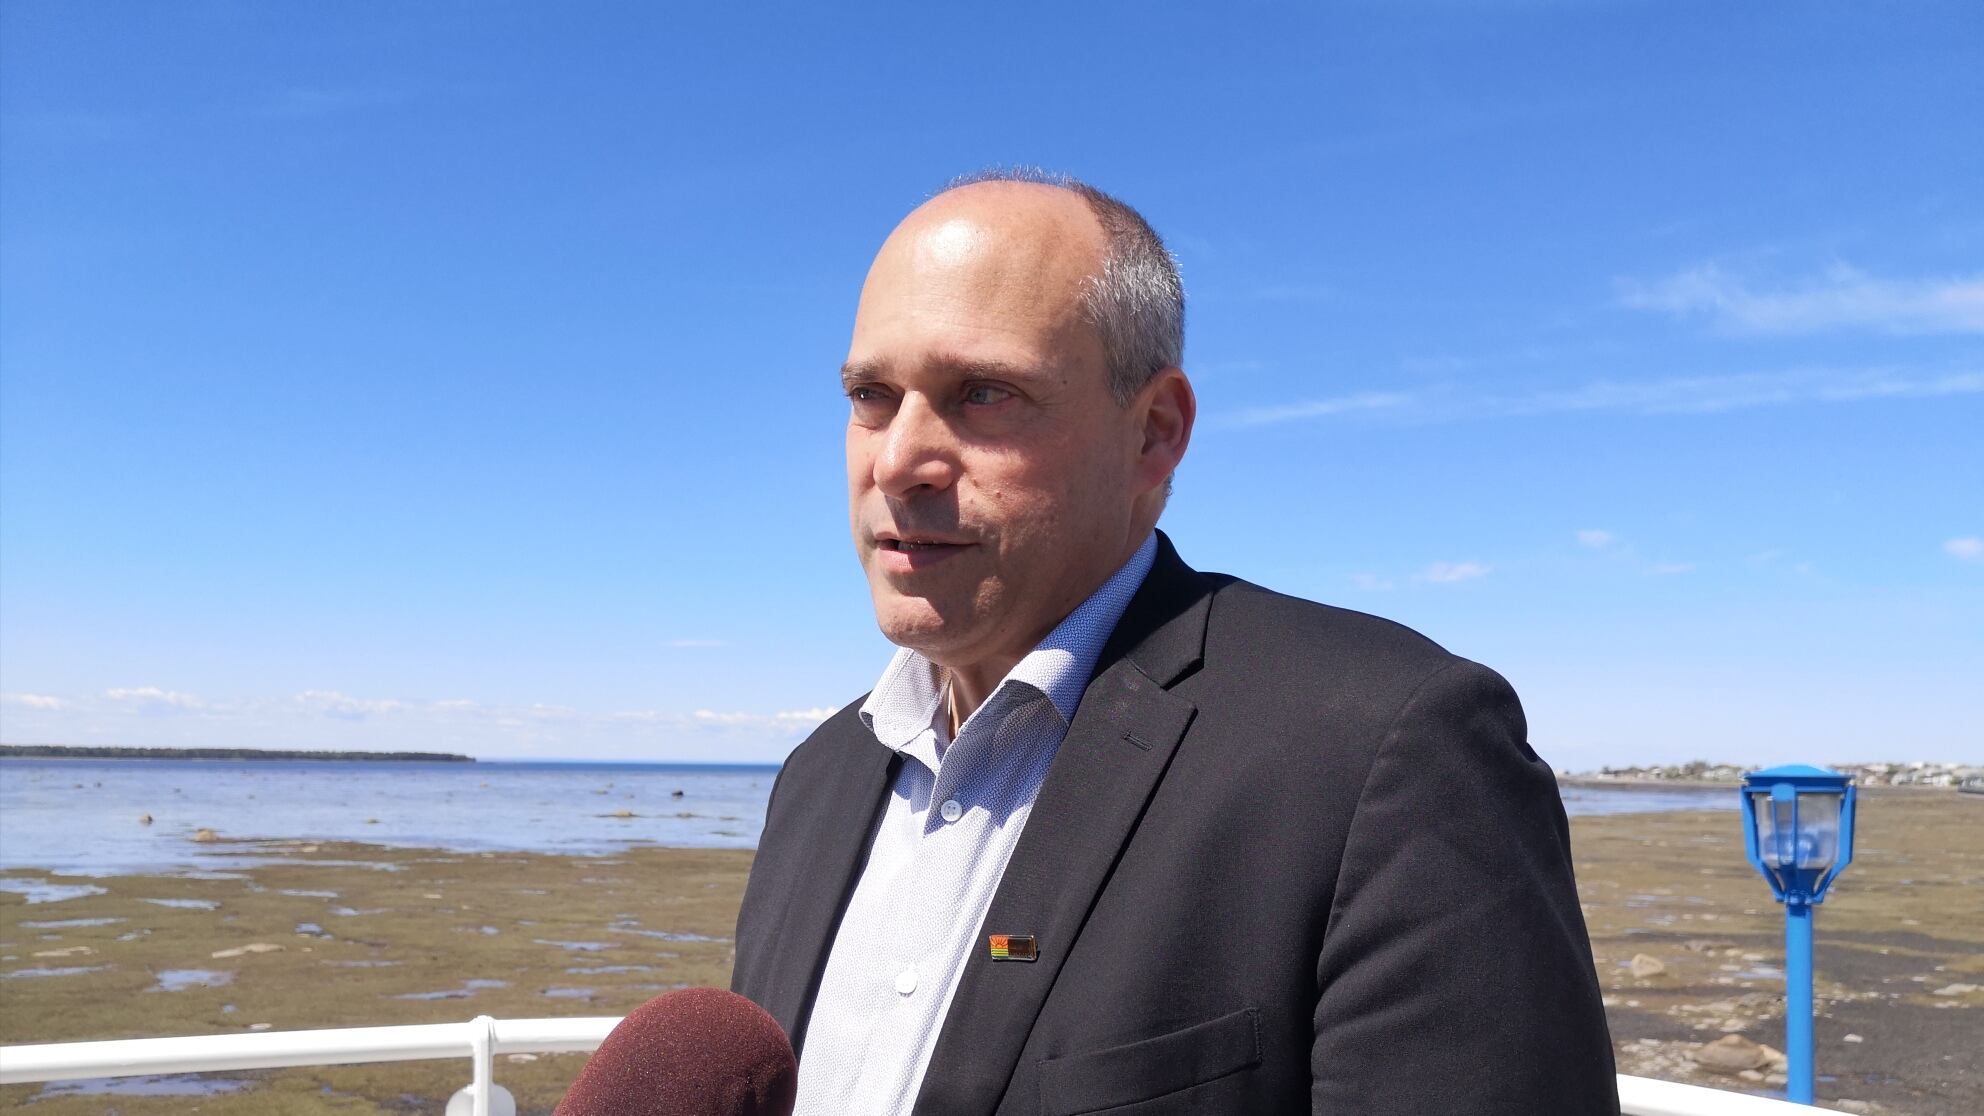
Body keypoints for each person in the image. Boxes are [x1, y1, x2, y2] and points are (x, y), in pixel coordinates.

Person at [731, 170, 1618, 1115]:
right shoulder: (817, 779)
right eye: (871, 394)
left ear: (1154, 432)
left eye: (982, 393)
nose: (898, 460)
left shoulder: (1381, 753)